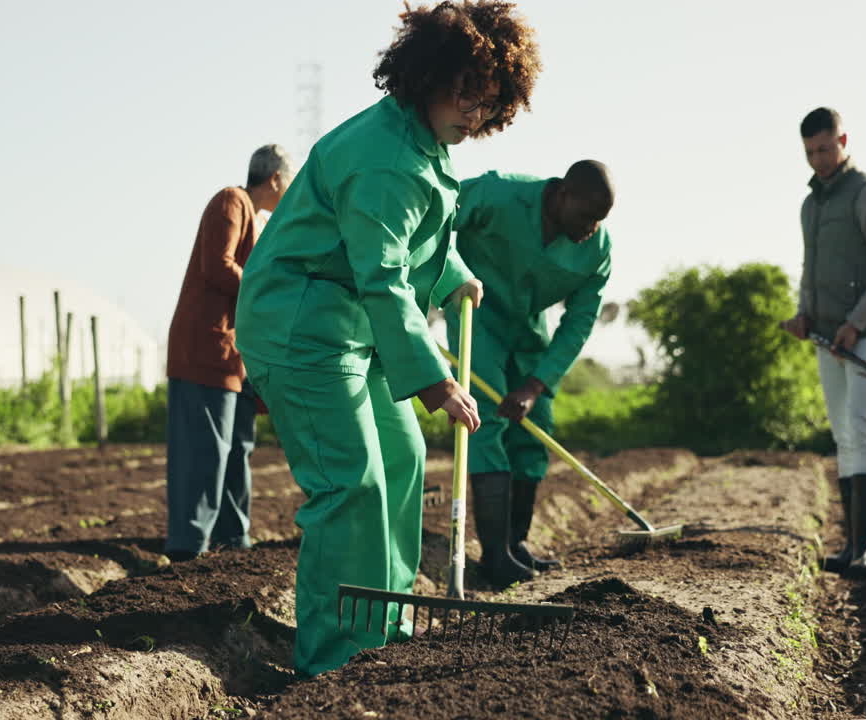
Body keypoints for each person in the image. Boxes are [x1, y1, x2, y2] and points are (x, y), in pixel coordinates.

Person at [235, 1, 541, 676]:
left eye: (488, 104)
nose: (474, 115)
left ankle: (387, 620)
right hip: (301, 325)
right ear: (427, 75)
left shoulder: (423, 143)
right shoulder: (385, 159)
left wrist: (456, 273)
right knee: (351, 484)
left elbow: (408, 244)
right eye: (465, 94)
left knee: (400, 458)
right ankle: (334, 652)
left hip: (353, 324)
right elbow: (383, 278)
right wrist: (435, 382)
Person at [448, 162, 614, 587]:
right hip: (476, 315)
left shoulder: (597, 248)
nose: (590, 229)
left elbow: (579, 322)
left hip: (526, 329)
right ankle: (494, 555)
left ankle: (515, 542)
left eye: (599, 221)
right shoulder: (496, 194)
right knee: (483, 415)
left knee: (536, 423)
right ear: (561, 195)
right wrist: (442, 276)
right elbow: (434, 215)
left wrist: (535, 384)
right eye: (584, 217)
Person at [780, 107, 866, 576]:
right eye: (810, 152)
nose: (818, 160)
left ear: (843, 140)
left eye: (825, 149)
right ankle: (851, 546)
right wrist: (803, 314)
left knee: (864, 425)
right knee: (843, 432)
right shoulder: (811, 204)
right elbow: (810, 269)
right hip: (825, 337)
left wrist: (856, 321)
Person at [164, 144, 292, 563]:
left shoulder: (257, 220)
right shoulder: (230, 201)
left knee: (237, 448)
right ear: (275, 179)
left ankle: (232, 540)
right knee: (207, 450)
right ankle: (190, 546)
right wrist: (267, 290)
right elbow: (216, 265)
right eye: (288, 182)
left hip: (233, 357)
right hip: (205, 349)